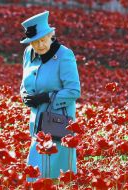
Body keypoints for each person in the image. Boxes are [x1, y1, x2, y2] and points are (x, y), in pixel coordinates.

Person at [19, 11, 81, 183]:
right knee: (34, 176)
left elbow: (74, 90)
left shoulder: (64, 55)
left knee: (54, 177)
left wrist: (47, 97)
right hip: (37, 126)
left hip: (57, 125)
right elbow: (24, 83)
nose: (39, 45)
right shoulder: (28, 54)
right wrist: (24, 95)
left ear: (51, 35)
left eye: (42, 40)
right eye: (34, 42)